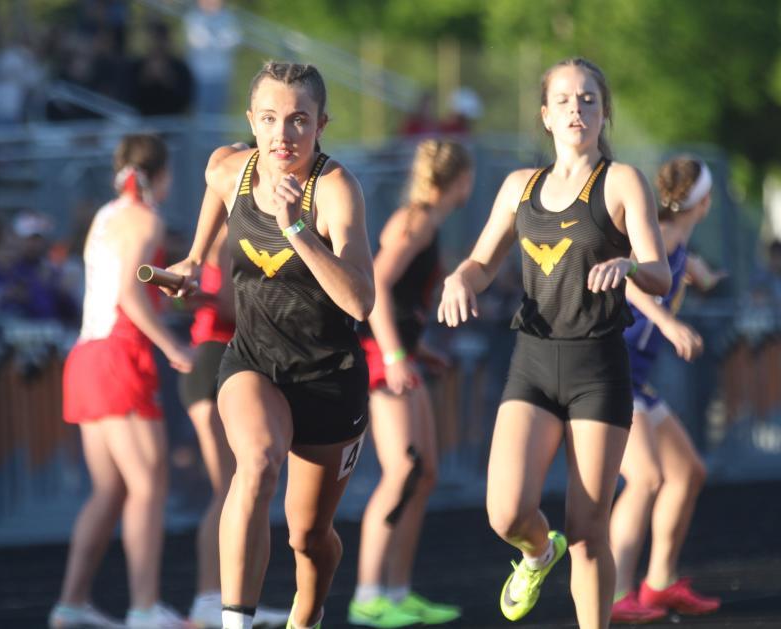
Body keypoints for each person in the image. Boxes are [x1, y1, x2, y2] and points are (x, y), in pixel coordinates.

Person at [437, 57, 672, 629]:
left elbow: (660, 274)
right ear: (545, 116)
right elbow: (481, 262)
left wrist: (628, 266)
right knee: (505, 511)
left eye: (589, 99)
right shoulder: (521, 186)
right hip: (534, 363)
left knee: (590, 531)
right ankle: (540, 552)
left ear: (603, 112)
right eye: (564, 99)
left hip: (598, 367)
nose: (577, 108)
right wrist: (459, 279)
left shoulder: (620, 182)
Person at [167, 61, 375, 629]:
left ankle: (309, 611)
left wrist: (295, 229)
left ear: (321, 125)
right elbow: (214, 178)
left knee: (308, 537)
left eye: (297, 121)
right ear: (251, 122)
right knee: (255, 463)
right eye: (269, 119)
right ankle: (236, 621)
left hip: (329, 378)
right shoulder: (232, 168)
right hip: (254, 362)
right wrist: (194, 253)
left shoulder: (334, 190)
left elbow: (361, 303)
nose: (282, 135)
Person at [49, 134, 194, 629]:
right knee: (149, 485)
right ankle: (145, 607)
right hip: (118, 355)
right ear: (163, 174)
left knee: (109, 490)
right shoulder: (147, 218)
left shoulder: (107, 214)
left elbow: (124, 280)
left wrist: (167, 285)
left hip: (88, 355)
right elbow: (130, 295)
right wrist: (174, 346)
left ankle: (72, 603)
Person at [348, 139, 473, 628]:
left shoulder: (427, 223)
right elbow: (374, 287)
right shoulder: (416, 221)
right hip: (380, 357)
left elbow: (400, 302)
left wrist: (417, 350)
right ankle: (367, 595)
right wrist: (398, 354)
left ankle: (397, 592)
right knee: (402, 470)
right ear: (459, 179)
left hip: (398, 353)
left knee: (425, 474)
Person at [178, 143, 289, 629]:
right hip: (218, 356)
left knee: (236, 486)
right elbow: (224, 302)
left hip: (222, 357)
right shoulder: (230, 232)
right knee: (231, 489)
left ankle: (223, 597)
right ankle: (213, 598)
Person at [609, 156, 724, 623]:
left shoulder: (677, 244)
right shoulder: (655, 238)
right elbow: (627, 278)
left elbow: (689, 266)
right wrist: (667, 321)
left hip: (636, 380)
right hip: (611, 373)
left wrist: (706, 277)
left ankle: (658, 584)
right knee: (646, 478)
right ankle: (613, 594)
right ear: (706, 203)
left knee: (687, 472)